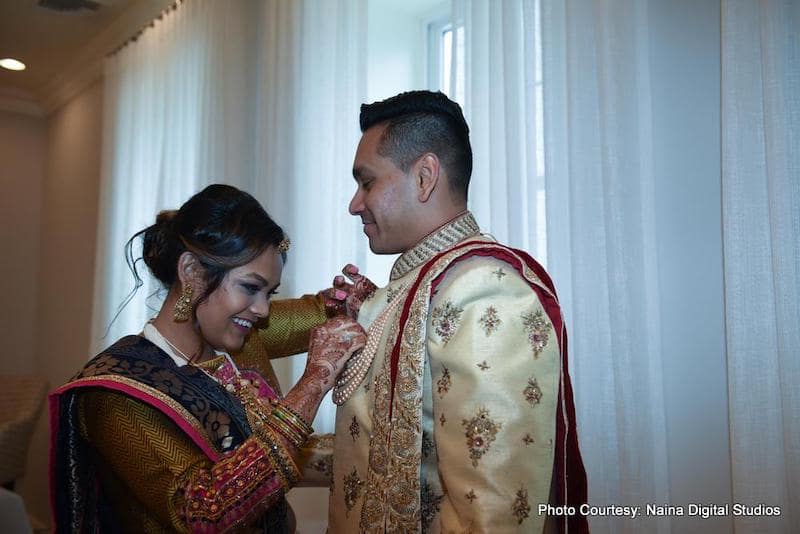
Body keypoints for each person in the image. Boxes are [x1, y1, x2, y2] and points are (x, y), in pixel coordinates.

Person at [326, 91, 589, 533]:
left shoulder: (482, 289)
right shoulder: (414, 289)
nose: (355, 203)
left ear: (425, 176)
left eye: (367, 182)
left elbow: (493, 511)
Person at [50, 184, 366, 533]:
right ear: (192, 272)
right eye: (250, 287)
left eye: (269, 293)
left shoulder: (238, 342)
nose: (262, 310)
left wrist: (358, 300)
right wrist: (314, 382)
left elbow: (331, 312)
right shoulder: (116, 395)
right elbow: (204, 514)